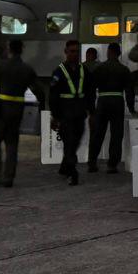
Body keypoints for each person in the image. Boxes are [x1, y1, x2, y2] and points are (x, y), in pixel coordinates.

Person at [0, 39, 45, 187]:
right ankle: (8, 177)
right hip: (18, 109)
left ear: (9, 49)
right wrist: (43, 107)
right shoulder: (27, 69)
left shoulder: (1, 66)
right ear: (21, 49)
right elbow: (39, 91)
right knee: (12, 143)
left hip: (2, 108)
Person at [48, 39, 94, 185]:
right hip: (65, 115)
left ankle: (64, 167)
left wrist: (92, 112)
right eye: (72, 51)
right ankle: (73, 173)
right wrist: (55, 116)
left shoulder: (84, 70)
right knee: (69, 143)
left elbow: (90, 92)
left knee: (74, 144)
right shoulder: (59, 72)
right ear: (66, 52)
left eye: (77, 52)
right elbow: (53, 96)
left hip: (80, 114)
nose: (75, 54)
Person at [88, 42, 136, 173]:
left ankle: (92, 163)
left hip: (102, 101)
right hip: (117, 102)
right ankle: (112, 165)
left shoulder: (99, 68)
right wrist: (131, 108)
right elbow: (130, 91)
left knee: (98, 133)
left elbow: (90, 89)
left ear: (108, 52)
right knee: (116, 134)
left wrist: (91, 109)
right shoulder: (124, 69)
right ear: (119, 54)